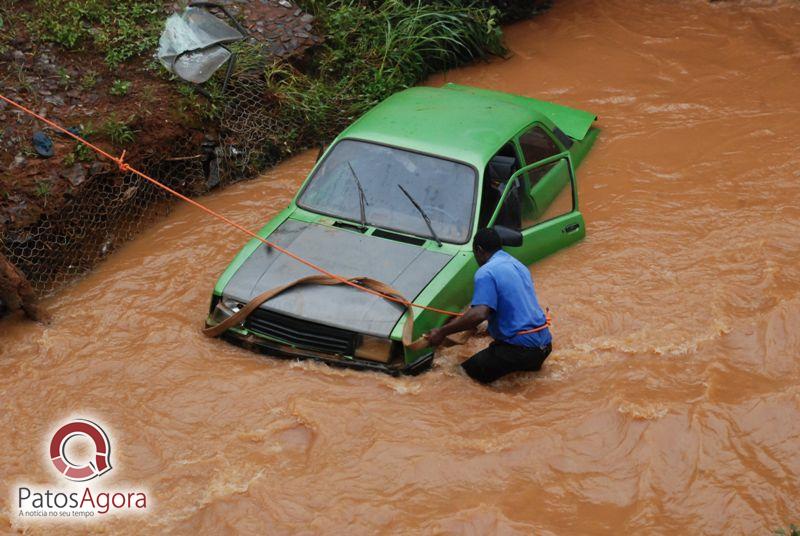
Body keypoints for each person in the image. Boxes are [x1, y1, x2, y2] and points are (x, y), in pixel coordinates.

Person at [425, 227, 552, 384]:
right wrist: (486, 329)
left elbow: (479, 314)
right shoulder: (518, 266)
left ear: (479, 250)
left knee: (457, 377)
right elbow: (515, 309)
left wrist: (442, 332)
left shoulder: (486, 272)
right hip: (544, 346)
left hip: (520, 351)